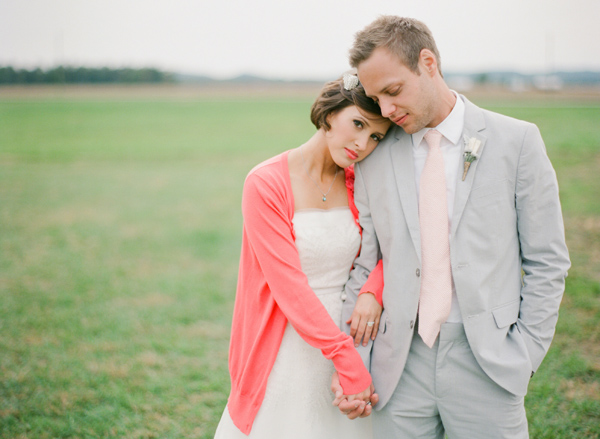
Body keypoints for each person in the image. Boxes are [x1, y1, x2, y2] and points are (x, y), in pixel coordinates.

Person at [335, 16, 571, 439]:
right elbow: (364, 262)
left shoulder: (516, 142)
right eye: (375, 98)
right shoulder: (374, 156)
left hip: (488, 364)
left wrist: (525, 353)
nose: (385, 110)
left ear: (428, 63)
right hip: (398, 367)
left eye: (393, 91)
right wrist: (352, 359)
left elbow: (547, 261)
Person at [213, 74, 391, 438]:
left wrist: (373, 291)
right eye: (357, 124)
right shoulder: (264, 183)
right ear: (329, 114)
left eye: (376, 136)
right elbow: (289, 287)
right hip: (286, 344)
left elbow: (391, 248)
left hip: (352, 333)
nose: (362, 143)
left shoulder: (363, 181)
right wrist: (345, 359)